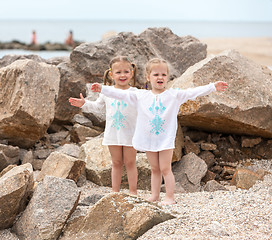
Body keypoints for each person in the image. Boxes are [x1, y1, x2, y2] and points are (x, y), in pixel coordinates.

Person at [91, 58, 228, 205]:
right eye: (156, 75)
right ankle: (154, 196)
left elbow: (193, 92)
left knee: (165, 168)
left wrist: (212, 86)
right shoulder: (141, 96)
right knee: (155, 169)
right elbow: (120, 94)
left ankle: (169, 197)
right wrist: (102, 89)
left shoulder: (174, 95)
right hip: (149, 139)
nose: (160, 77)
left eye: (163, 74)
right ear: (148, 77)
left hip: (165, 139)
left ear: (168, 77)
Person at [69, 56, 139, 196]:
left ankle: (133, 192)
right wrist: (84, 104)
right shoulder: (106, 92)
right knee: (116, 163)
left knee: (130, 163)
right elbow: (98, 107)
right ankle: (115, 192)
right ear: (111, 75)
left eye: (126, 71)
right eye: (118, 72)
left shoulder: (135, 92)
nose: (122, 75)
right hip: (113, 133)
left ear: (131, 73)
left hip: (131, 134)